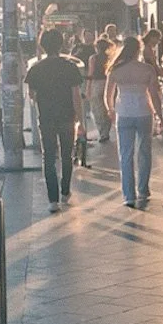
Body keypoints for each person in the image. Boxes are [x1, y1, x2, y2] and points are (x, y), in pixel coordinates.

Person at [25, 29, 85, 213]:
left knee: (49, 157)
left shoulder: (35, 68)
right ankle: (65, 192)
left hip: (46, 117)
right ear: (61, 45)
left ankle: (53, 200)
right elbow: (76, 96)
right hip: (67, 116)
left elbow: (32, 95)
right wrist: (81, 120)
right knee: (67, 155)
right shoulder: (69, 67)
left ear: (43, 45)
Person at [104, 35, 163, 209]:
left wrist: (111, 110)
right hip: (144, 112)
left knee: (125, 155)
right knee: (145, 152)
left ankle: (128, 195)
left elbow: (108, 95)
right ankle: (143, 189)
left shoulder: (115, 69)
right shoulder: (147, 69)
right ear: (138, 50)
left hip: (124, 114)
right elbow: (154, 95)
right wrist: (160, 116)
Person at [88, 36, 112, 142]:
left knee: (97, 109)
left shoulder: (93, 58)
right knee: (107, 107)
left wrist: (88, 88)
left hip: (97, 83)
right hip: (108, 82)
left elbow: (91, 74)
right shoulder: (110, 57)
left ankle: (102, 132)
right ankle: (106, 131)